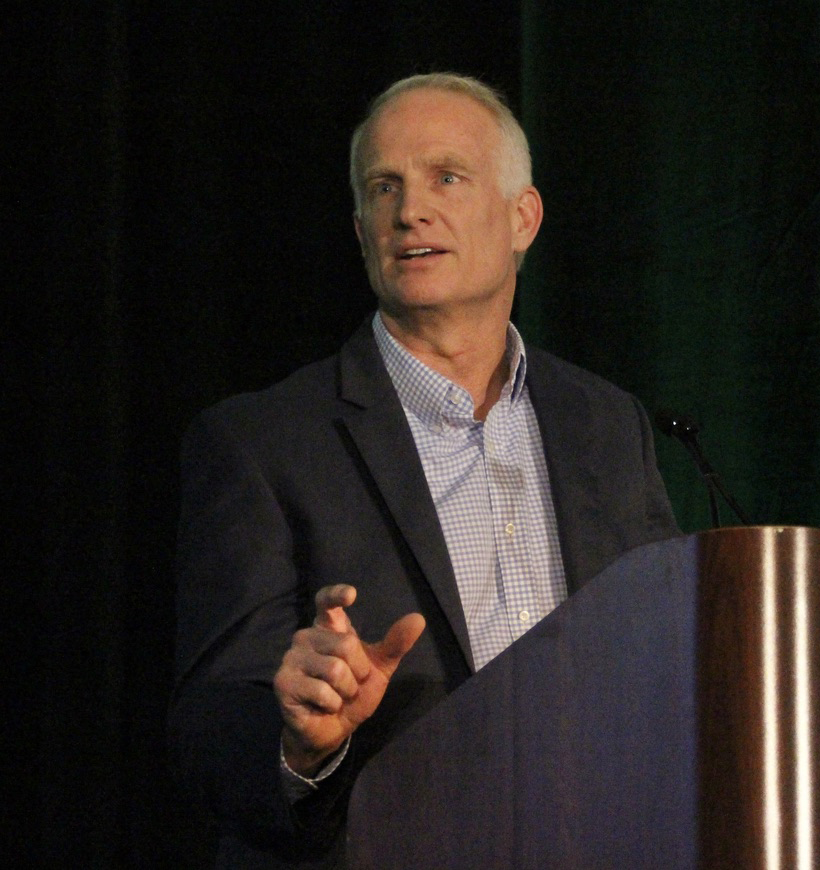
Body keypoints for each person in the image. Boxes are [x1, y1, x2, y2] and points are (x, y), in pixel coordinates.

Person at [169, 73, 680, 869]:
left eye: (446, 177)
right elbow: (210, 734)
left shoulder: (608, 426)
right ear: (360, 230)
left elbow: (669, 665)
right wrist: (302, 743)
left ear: (522, 218)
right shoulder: (261, 443)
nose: (410, 210)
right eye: (384, 187)